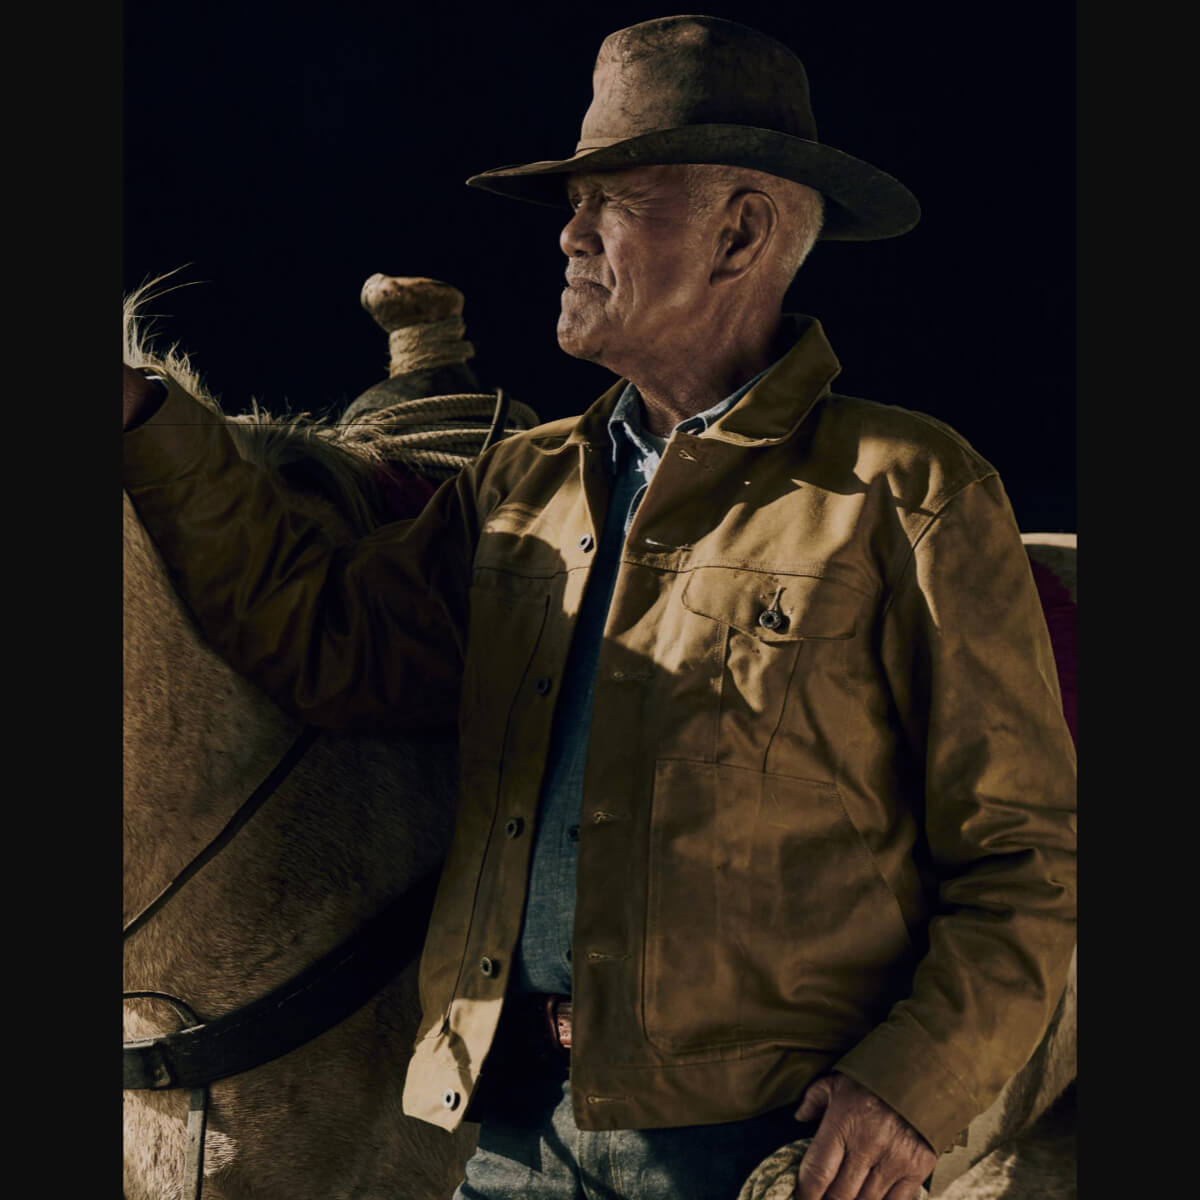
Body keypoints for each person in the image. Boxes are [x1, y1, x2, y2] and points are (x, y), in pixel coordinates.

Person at [122, 16, 1076, 1200]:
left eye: (611, 199)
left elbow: (1028, 859)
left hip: (764, 1152)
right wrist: (140, 421)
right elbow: (331, 644)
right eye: (572, 203)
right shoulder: (523, 484)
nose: (567, 233)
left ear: (741, 231)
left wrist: (914, 1089)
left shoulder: (908, 493)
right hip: (515, 1135)